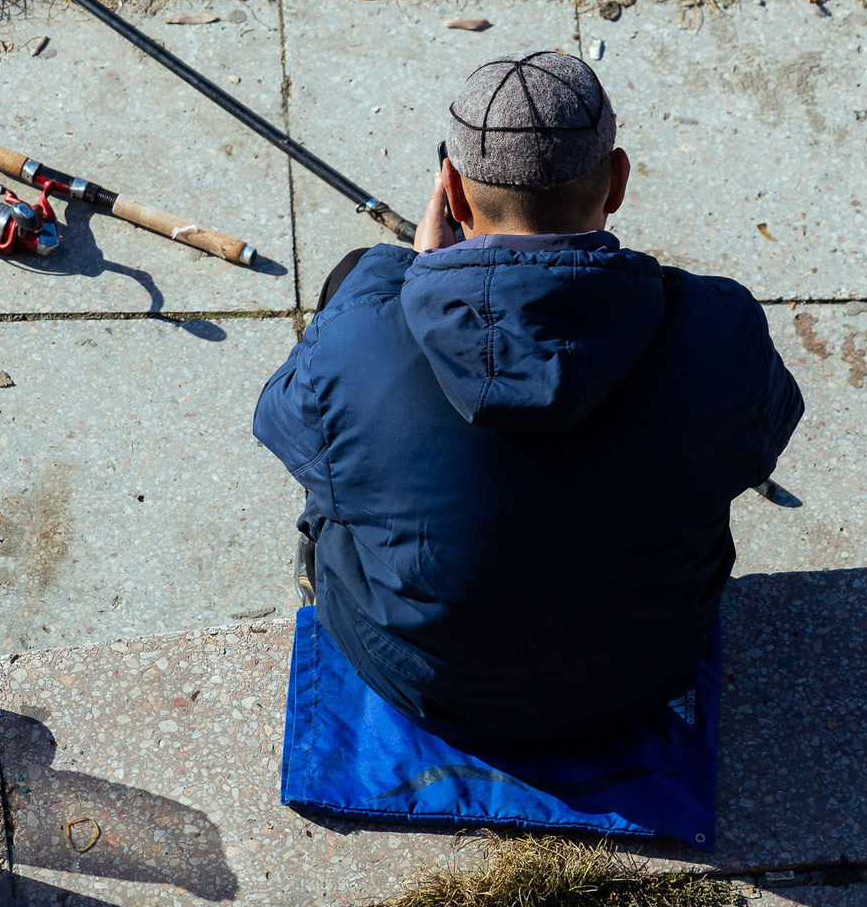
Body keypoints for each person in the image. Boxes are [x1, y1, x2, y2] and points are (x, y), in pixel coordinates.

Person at [252, 49, 804, 747]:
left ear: (452, 197)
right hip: (643, 673)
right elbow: (762, 439)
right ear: (617, 181)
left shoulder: (356, 342)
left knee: (356, 278)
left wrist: (413, 276)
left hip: (426, 683)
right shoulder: (722, 329)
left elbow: (280, 419)